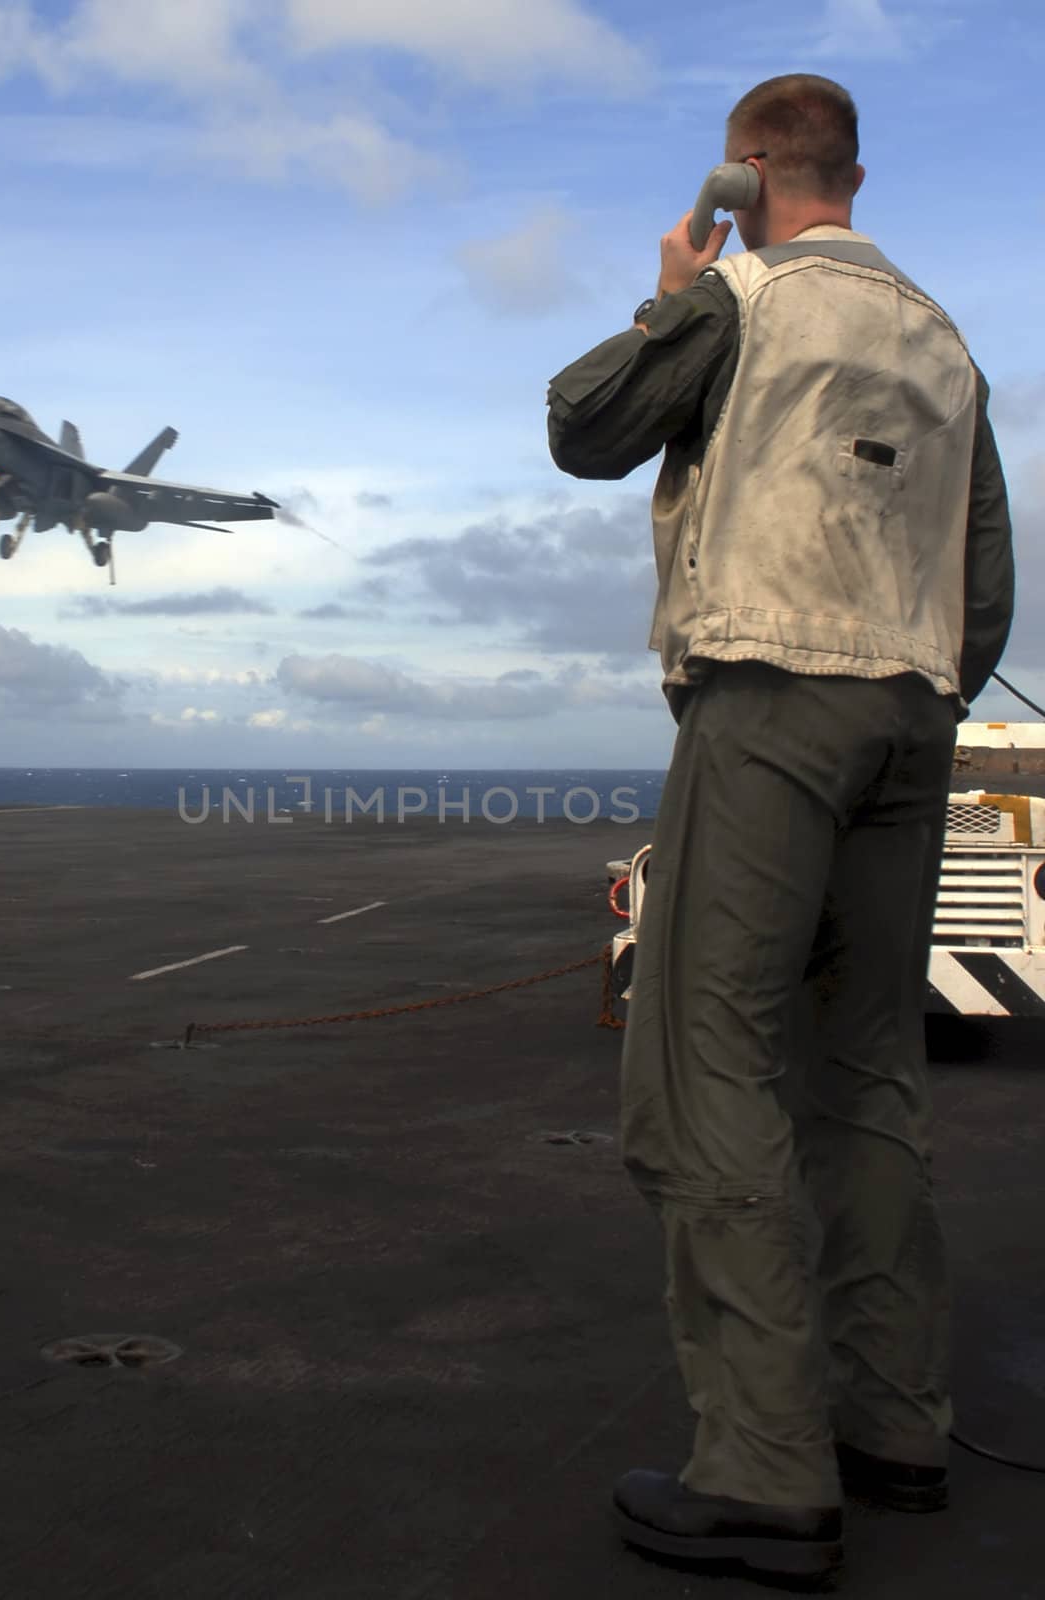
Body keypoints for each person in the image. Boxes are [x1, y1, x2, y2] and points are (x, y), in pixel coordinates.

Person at [546, 73, 1014, 1581]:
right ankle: (897, 1430)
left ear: (742, 176)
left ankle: (764, 1468)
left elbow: (583, 428)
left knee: (701, 1069)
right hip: (912, 713)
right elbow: (984, 572)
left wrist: (672, 288)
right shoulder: (945, 339)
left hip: (770, 699)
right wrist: (922, 697)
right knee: (869, 1066)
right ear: (858, 175)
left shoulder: (739, 296)